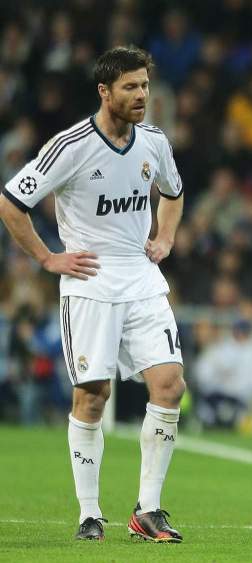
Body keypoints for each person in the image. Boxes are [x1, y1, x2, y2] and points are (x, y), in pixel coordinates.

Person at [0, 46, 186, 543]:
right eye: (131, 87)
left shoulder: (154, 142)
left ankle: (148, 510)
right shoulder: (71, 145)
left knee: (170, 385)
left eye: (145, 85)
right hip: (90, 281)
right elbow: (12, 202)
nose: (142, 95)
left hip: (142, 277)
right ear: (105, 92)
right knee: (92, 395)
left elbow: (173, 191)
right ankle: (89, 512)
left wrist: (165, 238)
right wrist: (47, 258)